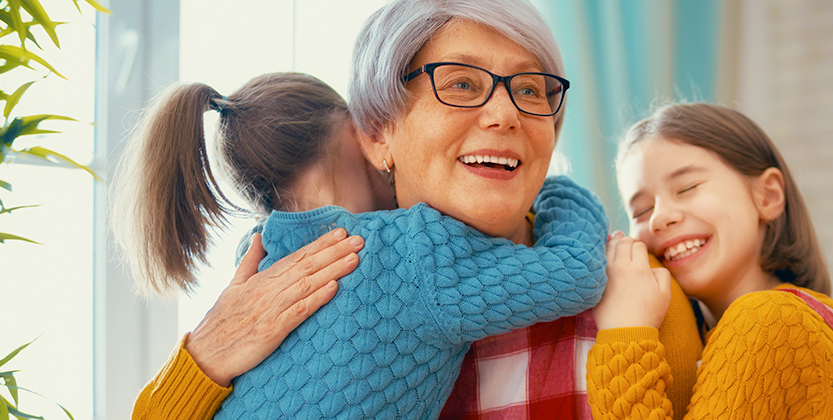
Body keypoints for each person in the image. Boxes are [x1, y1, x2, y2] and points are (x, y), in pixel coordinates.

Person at [129, 1, 705, 419]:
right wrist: (202, 359)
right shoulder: (263, 300)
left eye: (532, 90)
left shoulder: (643, 293)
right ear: (376, 135)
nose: (506, 114)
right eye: (459, 83)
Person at [116, 68, 610, 420]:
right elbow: (577, 272)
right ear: (365, 134)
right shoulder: (412, 250)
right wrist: (553, 187)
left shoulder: (255, 264)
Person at [586, 103, 833, 419]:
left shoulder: (767, 321)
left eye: (687, 188)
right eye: (641, 211)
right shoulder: (729, 333)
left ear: (767, 196)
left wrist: (625, 334)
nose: (660, 217)